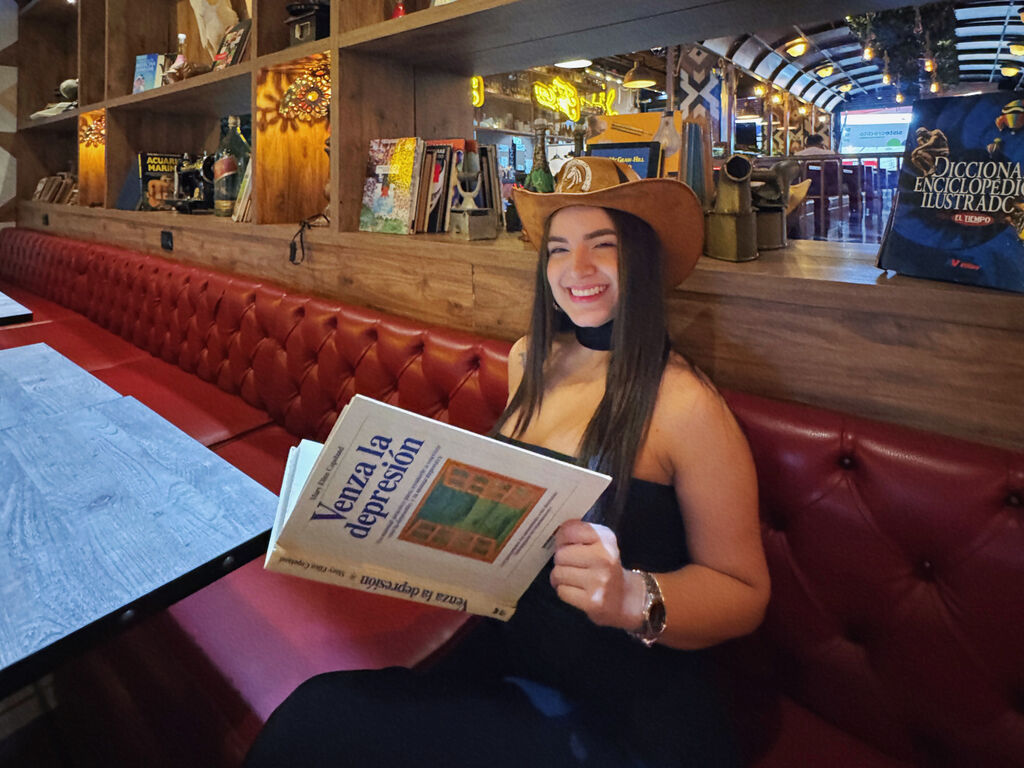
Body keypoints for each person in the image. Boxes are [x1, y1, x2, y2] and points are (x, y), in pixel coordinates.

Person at [243, 156, 770, 768]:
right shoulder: (530, 359)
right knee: (321, 718)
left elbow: (745, 593)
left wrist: (631, 596)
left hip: (625, 710)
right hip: (512, 657)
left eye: (603, 245)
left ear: (643, 260)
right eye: (558, 249)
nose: (576, 268)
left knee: (318, 719)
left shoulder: (685, 404)